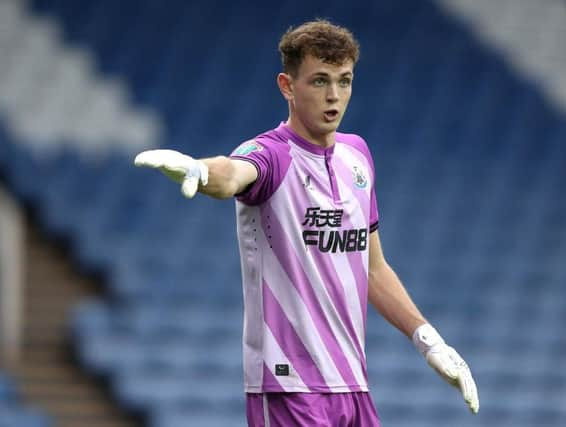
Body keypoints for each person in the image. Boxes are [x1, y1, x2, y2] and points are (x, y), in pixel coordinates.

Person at [134, 19, 479, 426]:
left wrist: (429, 341)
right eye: (319, 81)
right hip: (289, 387)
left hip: (352, 386)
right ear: (287, 85)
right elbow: (233, 173)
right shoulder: (271, 155)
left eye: (344, 81)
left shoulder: (357, 155)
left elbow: (373, 267)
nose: (334, 96)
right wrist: (201, 171)